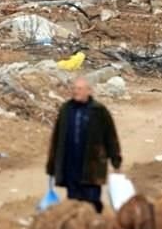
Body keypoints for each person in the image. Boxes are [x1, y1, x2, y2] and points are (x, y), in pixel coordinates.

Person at [46, 77, 122, 213]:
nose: (76, 92)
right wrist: (52, 165)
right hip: (71, 166)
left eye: (80, 89)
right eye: (74, 88)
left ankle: (94, 228)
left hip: (92, 167)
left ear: (89, 91)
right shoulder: (66, 110)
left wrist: (116, 161)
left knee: (92, 203)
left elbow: (110, 137)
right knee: (73, 203)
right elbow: (57, 138)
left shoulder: (99, 111)